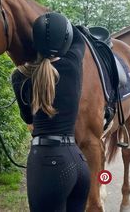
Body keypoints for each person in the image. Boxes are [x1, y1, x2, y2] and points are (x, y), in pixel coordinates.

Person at [11, 12, 90, 212]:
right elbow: (79, 38)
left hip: (47, 163)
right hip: (78, 161)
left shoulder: (19, 76)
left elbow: (28, 118)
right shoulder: (73, 64)